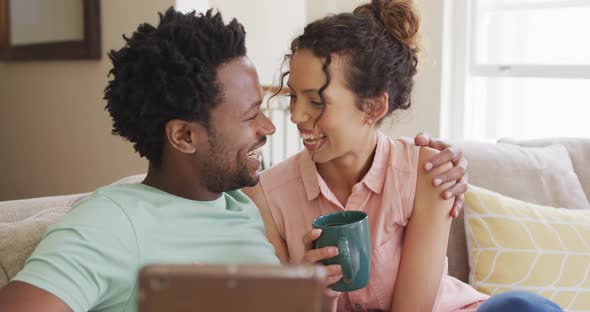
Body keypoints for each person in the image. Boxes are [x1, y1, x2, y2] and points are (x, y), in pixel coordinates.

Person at [0, 8, 470, 312]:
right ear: (184, 135)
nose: (271, 128)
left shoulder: (245, 209)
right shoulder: (112, 221)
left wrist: (312, 297)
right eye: (251, 116)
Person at [242, 1, 564, 311]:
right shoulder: (267, 196)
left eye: (315, 101)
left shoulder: (427, 173)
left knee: (520, 306)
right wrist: (312, 296)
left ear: (374, 107)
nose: (296, 115)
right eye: (294, 96)